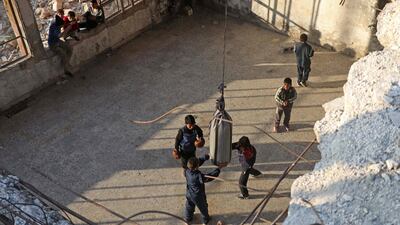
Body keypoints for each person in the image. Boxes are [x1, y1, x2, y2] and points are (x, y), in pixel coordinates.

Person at [184, 156, 221, 224]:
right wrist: (218, 169)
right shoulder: (198, 176)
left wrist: (204, 158)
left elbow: (196, 163)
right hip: (198, 196)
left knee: (189, 206)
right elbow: (210, 177)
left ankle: (188, 218)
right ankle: (205, 220)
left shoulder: (186, 171)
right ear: (196, 167)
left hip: (189, 193)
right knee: (203, 208)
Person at [48, 10, 73, 77]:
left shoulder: (58, 21)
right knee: (63, 54)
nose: (61, 27)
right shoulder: (54, 26)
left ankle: (66, 63)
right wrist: (67, 29)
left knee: (70, 49)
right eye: (61, 26)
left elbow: (62, 25)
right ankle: (65, 70)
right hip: (53, 44)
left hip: (57, 41)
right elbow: (60, 35)